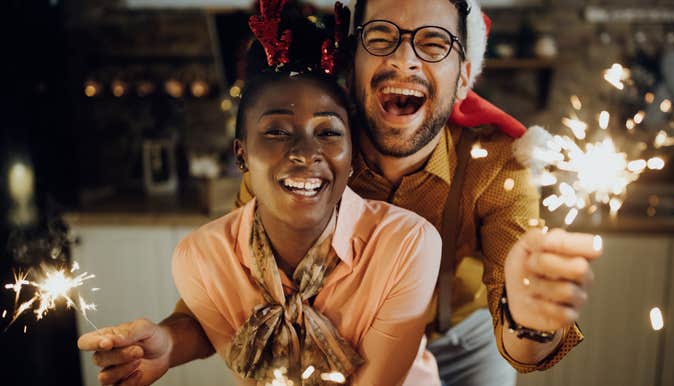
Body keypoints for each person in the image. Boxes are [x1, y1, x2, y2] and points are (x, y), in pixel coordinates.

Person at [78, 0, 604, 385]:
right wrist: (168, 344)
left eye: (434, 43)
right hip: (345, 351)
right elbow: (234, 291)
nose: (405, 61)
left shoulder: (498, 166)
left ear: (464, 76)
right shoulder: (302, 159)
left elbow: (521, 327)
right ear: (352, 65)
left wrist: (530, 320)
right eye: (381, 37)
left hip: (465, 343)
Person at [79, 3, 443, 385]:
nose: (305, 152)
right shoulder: (203, 258)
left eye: (329, 132)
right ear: (242, 154)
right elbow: (206, 325)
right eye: (277, 132)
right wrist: (168, 344)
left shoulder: (406, 244)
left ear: (351, 154)